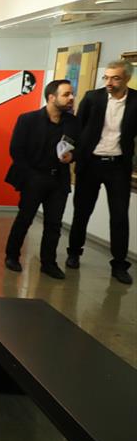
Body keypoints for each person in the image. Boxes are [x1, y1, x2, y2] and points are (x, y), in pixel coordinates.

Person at [66, 60, 137, 284]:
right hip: (91, 163)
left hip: (118, 166)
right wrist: (72, 154)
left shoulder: (136, 101)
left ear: (126, 79)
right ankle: (74, 253)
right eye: (106, 77)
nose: (109, 82)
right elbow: (78, 129)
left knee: (119, 216)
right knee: (82, 211)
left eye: (115, 78)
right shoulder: (92, 98)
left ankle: (119, 264)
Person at [3, 79, 79, 279]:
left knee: (54, 224)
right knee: (25, 218)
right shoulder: (28, 119)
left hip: (59, 179)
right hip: (34, 177)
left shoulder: (72, 122)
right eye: (66, 94)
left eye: (71, 94)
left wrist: (72, 156)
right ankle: (12, 256)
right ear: (52, 97)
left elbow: (79, 147)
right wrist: (29, 176)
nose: (71, 98)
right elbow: (16, 150)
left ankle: (48, 263)